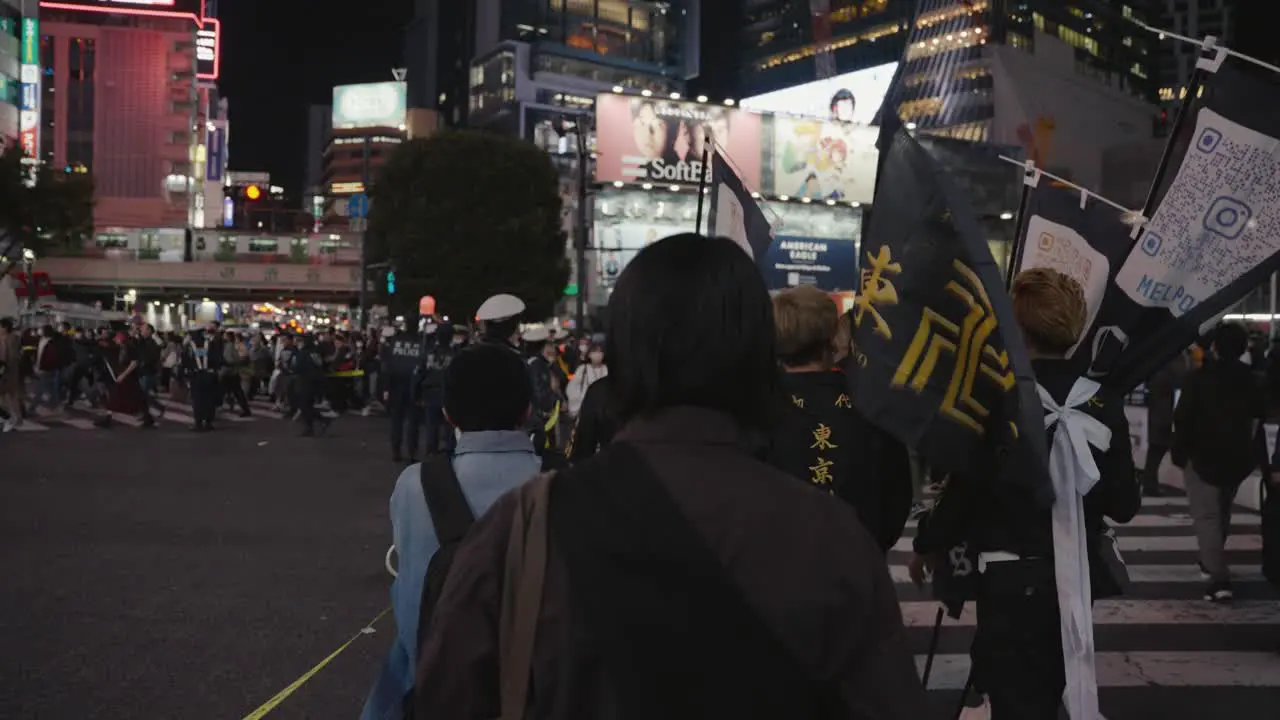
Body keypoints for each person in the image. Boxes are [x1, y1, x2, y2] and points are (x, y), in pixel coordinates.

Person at [414, 234, 926, 719]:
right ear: (757, 359)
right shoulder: (828, 537)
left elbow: (448, 697)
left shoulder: (523, 531)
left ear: (621, 353)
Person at [910, 268, 1138, 718]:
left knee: (1015, 699)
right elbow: (1124, 504)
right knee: (1054, 689)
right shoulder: (1102, 400)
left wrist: (927, 542)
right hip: (1073, 581)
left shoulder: (996, 398)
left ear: (1015, 326)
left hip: (1009, 581)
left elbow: (964, 492)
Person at [361, 342, 540, 720]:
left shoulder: (416, 484)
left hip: (435, 692)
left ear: (447, 414)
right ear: (528, 409)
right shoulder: (564, 481)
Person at [764, 285, 914, 553]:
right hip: (856, 567)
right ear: (833, 337)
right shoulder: (871, 405)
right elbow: (896, 496)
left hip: (772, 569)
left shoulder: (754, 408)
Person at [1172, 322, 1270, 603]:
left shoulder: (1198, 379)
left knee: (1208, 518)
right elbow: (1257, 420)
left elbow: (1183, 419)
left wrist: (1179, 452)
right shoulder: (1252, 379)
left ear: (1214, 347)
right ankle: (1210, 560)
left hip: (1201, 456)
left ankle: (1218, 579)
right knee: (1222, 512)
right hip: (1237, 458)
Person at [1143, 350, 1190, 496]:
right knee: (1158, 450)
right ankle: (1149, 485)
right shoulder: (1171, 359)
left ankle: (1149, 483)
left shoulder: (1159, 361)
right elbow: (1182, 377)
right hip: (1165, 413)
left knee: (1156, 451)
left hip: (1161, 412)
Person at [383, 325, 426, 463]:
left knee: (397, 420)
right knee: (413, 421)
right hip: (413, 386)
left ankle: (396, 450)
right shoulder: (420, 343)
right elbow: (422, 366)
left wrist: (387, 387)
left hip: (396, 386)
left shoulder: (396, 342)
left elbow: (388, 366)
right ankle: (412, 452)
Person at [565, 342, 607, 419]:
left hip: (604, 411)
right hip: (586, 410)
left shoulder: (607, 369)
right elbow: (570, 389)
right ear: (589, 354)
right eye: (594, 351)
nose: (598, 354)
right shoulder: (582, 369)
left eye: (600, 351)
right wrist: (583, 397)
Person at [0, 318, 23, 430]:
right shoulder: (5, 338)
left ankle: (16, 418)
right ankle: (9, 416)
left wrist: (5, 368)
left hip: (9, 372)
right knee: (5, 395)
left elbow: (13, 357)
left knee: (12, 395)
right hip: (6, 371)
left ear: (5, 328)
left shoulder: (11, 339)